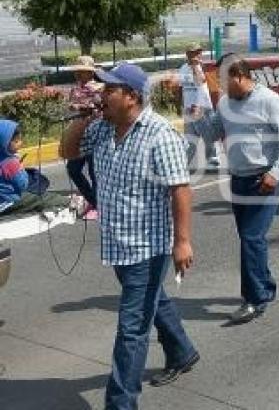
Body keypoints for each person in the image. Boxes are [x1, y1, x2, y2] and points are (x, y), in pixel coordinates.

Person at [60, 63, 198, 408]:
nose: (101, 94)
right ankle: (182, 351)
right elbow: (68, 151)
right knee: (155, 299)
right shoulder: (104, 129)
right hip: (117, 241)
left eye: (109, 90)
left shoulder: (159, 135)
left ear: (132, 97)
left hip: (147, 246)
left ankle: (121, 402)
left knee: (132, 329)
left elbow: (180, 189)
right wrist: (86, 117)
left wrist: (182, 241)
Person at [197, 55, 279, 324]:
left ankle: (254, 299)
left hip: (263, 180)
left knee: (252, 238)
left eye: (222, 79)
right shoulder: (225, 102)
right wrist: (198, 118)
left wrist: (276, 173)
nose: (219, 84)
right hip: (238, 178)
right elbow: (212, 132)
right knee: (249, 237)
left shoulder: (269, 100)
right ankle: (264, 285)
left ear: (239, 76)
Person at [0, 119, 71, 216]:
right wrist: (20, 168)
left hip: (3, 197)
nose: (21, 143)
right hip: (8, 201)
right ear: (5, 144)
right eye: (16, 141)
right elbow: (23, 184)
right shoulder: (11, 164)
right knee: (39, 197)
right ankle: (67, 202)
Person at [66, 55, 102, 220]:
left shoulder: (99, 88)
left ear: (90, 73)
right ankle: (92, 200)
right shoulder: (74, 89)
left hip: (95, 135)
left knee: (95, 172)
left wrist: (82, 107)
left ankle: (97, 206)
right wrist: (74, 107)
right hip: (78, 135)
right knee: (73, 170)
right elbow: (70, 106)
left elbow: (100, 108)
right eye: (78, 71)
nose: (79, 74)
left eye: (83, 71)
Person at [178, 43, 220, 170]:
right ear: (187, 54)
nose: (196, 55)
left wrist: (196, 66)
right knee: (190, 139)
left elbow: (201, 81)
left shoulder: (205, 67)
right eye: (193, 53)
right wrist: (181, 104)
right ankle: (184, 165)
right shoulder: (182, 68)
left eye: (198, 52)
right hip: (189, 109)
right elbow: (181, 88)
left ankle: (212, 161)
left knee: (209, 137)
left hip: (203, 107)